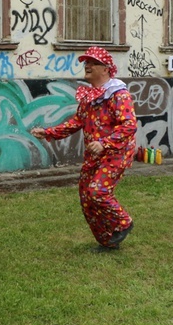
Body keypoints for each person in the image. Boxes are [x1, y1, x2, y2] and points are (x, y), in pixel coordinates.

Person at [30, 47, 137, 250]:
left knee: (98, 192)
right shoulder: (89, 97)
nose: (86, 66)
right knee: (86, 198)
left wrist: (105, 143)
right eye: (85, 62)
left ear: (105, 69)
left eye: (92, 62)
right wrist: (49, 132)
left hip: (116, 153)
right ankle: (107, 240)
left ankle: (124, 223)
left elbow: (129, 125)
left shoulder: (119, 95)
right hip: (94, 154)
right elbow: (77, 121)